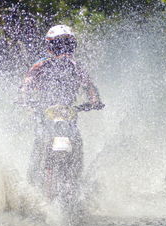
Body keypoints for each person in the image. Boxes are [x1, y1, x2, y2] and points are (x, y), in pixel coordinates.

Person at [20, 25, 104, 200]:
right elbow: (26, 84)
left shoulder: (76, 66)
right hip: (45, 113)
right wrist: (25, 98)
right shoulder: (40, 64)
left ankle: (75, 183)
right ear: (50, 47)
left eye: (67, 45)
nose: (63, 50)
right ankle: (32, 182)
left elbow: (89, 86)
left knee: (78, 142)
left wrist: (95, 101)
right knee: (39, 141)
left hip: (68, 115)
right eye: (59, 45)